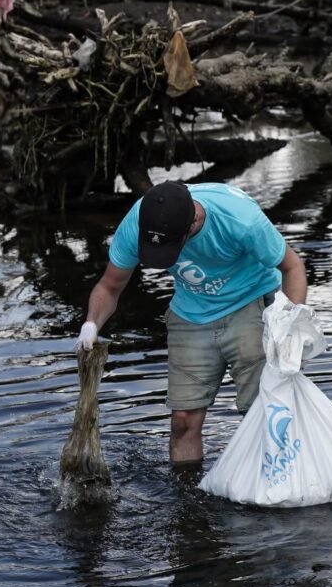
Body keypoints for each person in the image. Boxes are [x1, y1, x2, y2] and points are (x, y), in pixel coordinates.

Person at [75, 180, 307, 465]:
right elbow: (110, 287)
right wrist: (91, 325)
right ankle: (186, 505)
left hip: (252, 302)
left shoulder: (239, 218)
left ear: (194, 220)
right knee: (182, 420)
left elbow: (292, 266)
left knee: (263, 413)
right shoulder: (139, 221)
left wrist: (290, 326)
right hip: (191, 313)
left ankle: (276, 486)